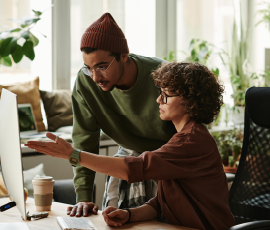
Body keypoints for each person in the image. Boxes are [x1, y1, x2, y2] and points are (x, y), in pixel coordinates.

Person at [26, 62, 234, 230]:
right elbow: (162, 203)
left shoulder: (191, 141)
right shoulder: (183, 137)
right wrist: (129, 214)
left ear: (190, 101)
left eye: (166, 95)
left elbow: (133, 168)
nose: (158, 100)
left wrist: (73, 155)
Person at [67, 12, 177, 217]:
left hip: (168, 164)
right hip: (126, 160)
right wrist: (84, 196)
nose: (95, 77)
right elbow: (84, 140)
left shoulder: (163, 75)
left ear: (123, 56)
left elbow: (189, 135)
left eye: (101, 67)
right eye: (88, 68)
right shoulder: (86, 83)